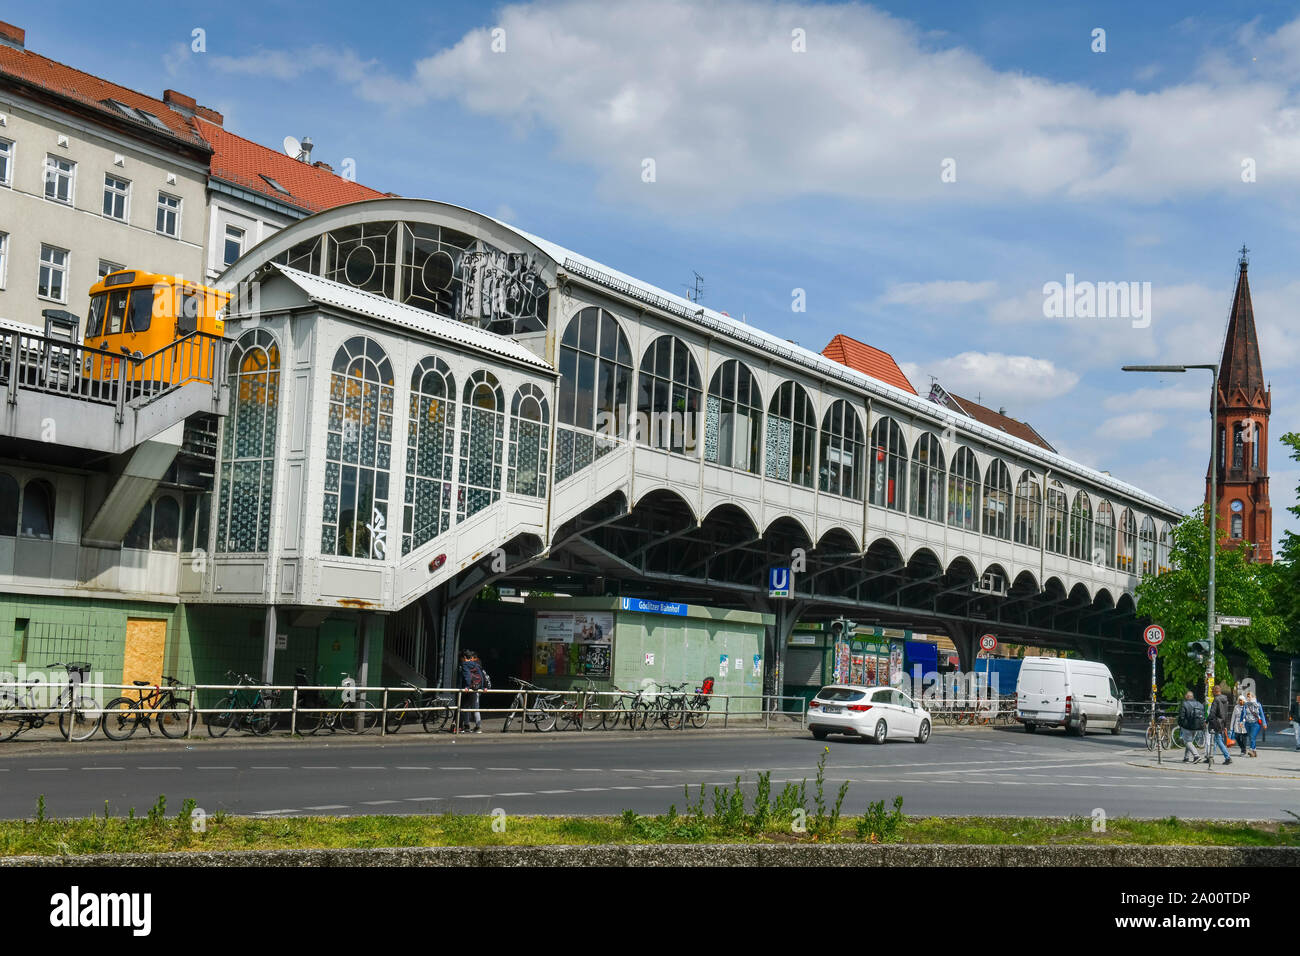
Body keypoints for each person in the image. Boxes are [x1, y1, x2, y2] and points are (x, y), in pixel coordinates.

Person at [458, 649, 489, 734]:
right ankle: (478, 727)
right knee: (475, 708)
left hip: (469, 689)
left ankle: (466, 726)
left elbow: (467, 676)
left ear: (464, 657)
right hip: (477, 688)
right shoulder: (476, 664)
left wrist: (467, 686)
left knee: (464, 707)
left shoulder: (464, 664)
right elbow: (482, 676)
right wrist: (483, 687)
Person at [1208, 683, 1233, 765]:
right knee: (1215, 740)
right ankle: (1210, 757)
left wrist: (1207, 721)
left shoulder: (1216, 700)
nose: (1212, 693)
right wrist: (1225, 725)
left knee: (1218, 740)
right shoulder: (1225, 700)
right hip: (1222, 723)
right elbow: (1225, 714)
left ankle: (1228, 757)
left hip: (1216, 723)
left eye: (1212, 691)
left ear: (1215, 691)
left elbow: (1212, 713)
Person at [1177, 690, 1205, 764]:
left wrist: (1180, 724)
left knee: (1187, 742)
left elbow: (1181, 716)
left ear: (1187, 696)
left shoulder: (1185, 704)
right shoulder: (1199, 704)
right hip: (1197, 726)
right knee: (1190, 741)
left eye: (1185, 696)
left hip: (1187, 726)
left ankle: (1196, 756)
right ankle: (1186, 757)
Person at [1243, 692, 1266, 757]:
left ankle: (1251, 750)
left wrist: (1264, 723)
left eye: (1249, 696)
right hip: (1247, 723)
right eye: (1247, 696)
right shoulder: (1246, 705)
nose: (1248, 698)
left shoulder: (1258, 705)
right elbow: (1243, 713)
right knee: (1251, 737)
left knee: (1252, 736)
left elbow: (1262, 714)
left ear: (1253, 697)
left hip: (1255, 723)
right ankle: (1254, 751)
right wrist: (1241, 721)